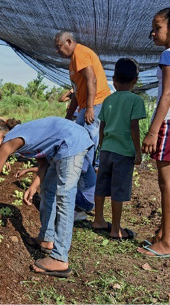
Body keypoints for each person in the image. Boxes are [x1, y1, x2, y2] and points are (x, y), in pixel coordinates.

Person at [0, 117, 93, 278]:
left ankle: (60, 258)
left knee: (64, 197)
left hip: (72, 141)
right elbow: (43, 163)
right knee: (48, 191)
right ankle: (46, 239)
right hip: (67, 140)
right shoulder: (21, 136)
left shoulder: (9, 142)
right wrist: (33, 187)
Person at [54, 31, 111, 220]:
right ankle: (82, 196)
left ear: (69, 42)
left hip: (96, 103)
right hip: (87, 104)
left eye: (59, 46)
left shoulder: (80, 53)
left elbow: (91, 79)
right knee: (77, 147)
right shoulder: (73, 62)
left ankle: (85, 202)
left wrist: (90, 108)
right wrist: (68, 117)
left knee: (84, 151)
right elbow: (78, 93)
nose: (57, 51)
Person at [91, 58, 146, 239]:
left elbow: (102, 125)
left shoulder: (108, 100)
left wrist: (101, 144)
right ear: (135, 81)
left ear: (114, 79)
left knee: (101, 185)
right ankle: (115, 229)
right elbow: (133, 127)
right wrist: (137, 152)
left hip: (106, 149)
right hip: (124, 153)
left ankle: (98, 220)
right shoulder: (135, 100)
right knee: (118, 190)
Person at [138, 7, 170, 257]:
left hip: (169, 123)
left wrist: (153, 131)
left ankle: (168, 242)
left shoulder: (168, 55)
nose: (153, 33)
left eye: (157, 27)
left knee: (166, 183)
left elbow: (167, 94)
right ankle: (164, 233)